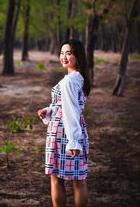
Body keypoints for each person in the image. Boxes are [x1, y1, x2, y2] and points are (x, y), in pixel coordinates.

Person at [38, 39, 91, 207]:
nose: (64, 57)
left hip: (64, 133)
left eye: (69, 53)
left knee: (57, 179)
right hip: (73, 130)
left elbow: (71, 112)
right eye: (62, 53)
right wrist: (50, 110)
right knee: (78, 180)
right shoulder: (77, 78)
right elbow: (67, 106)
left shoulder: (69, 81)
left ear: (79, 56)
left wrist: (73, 141)